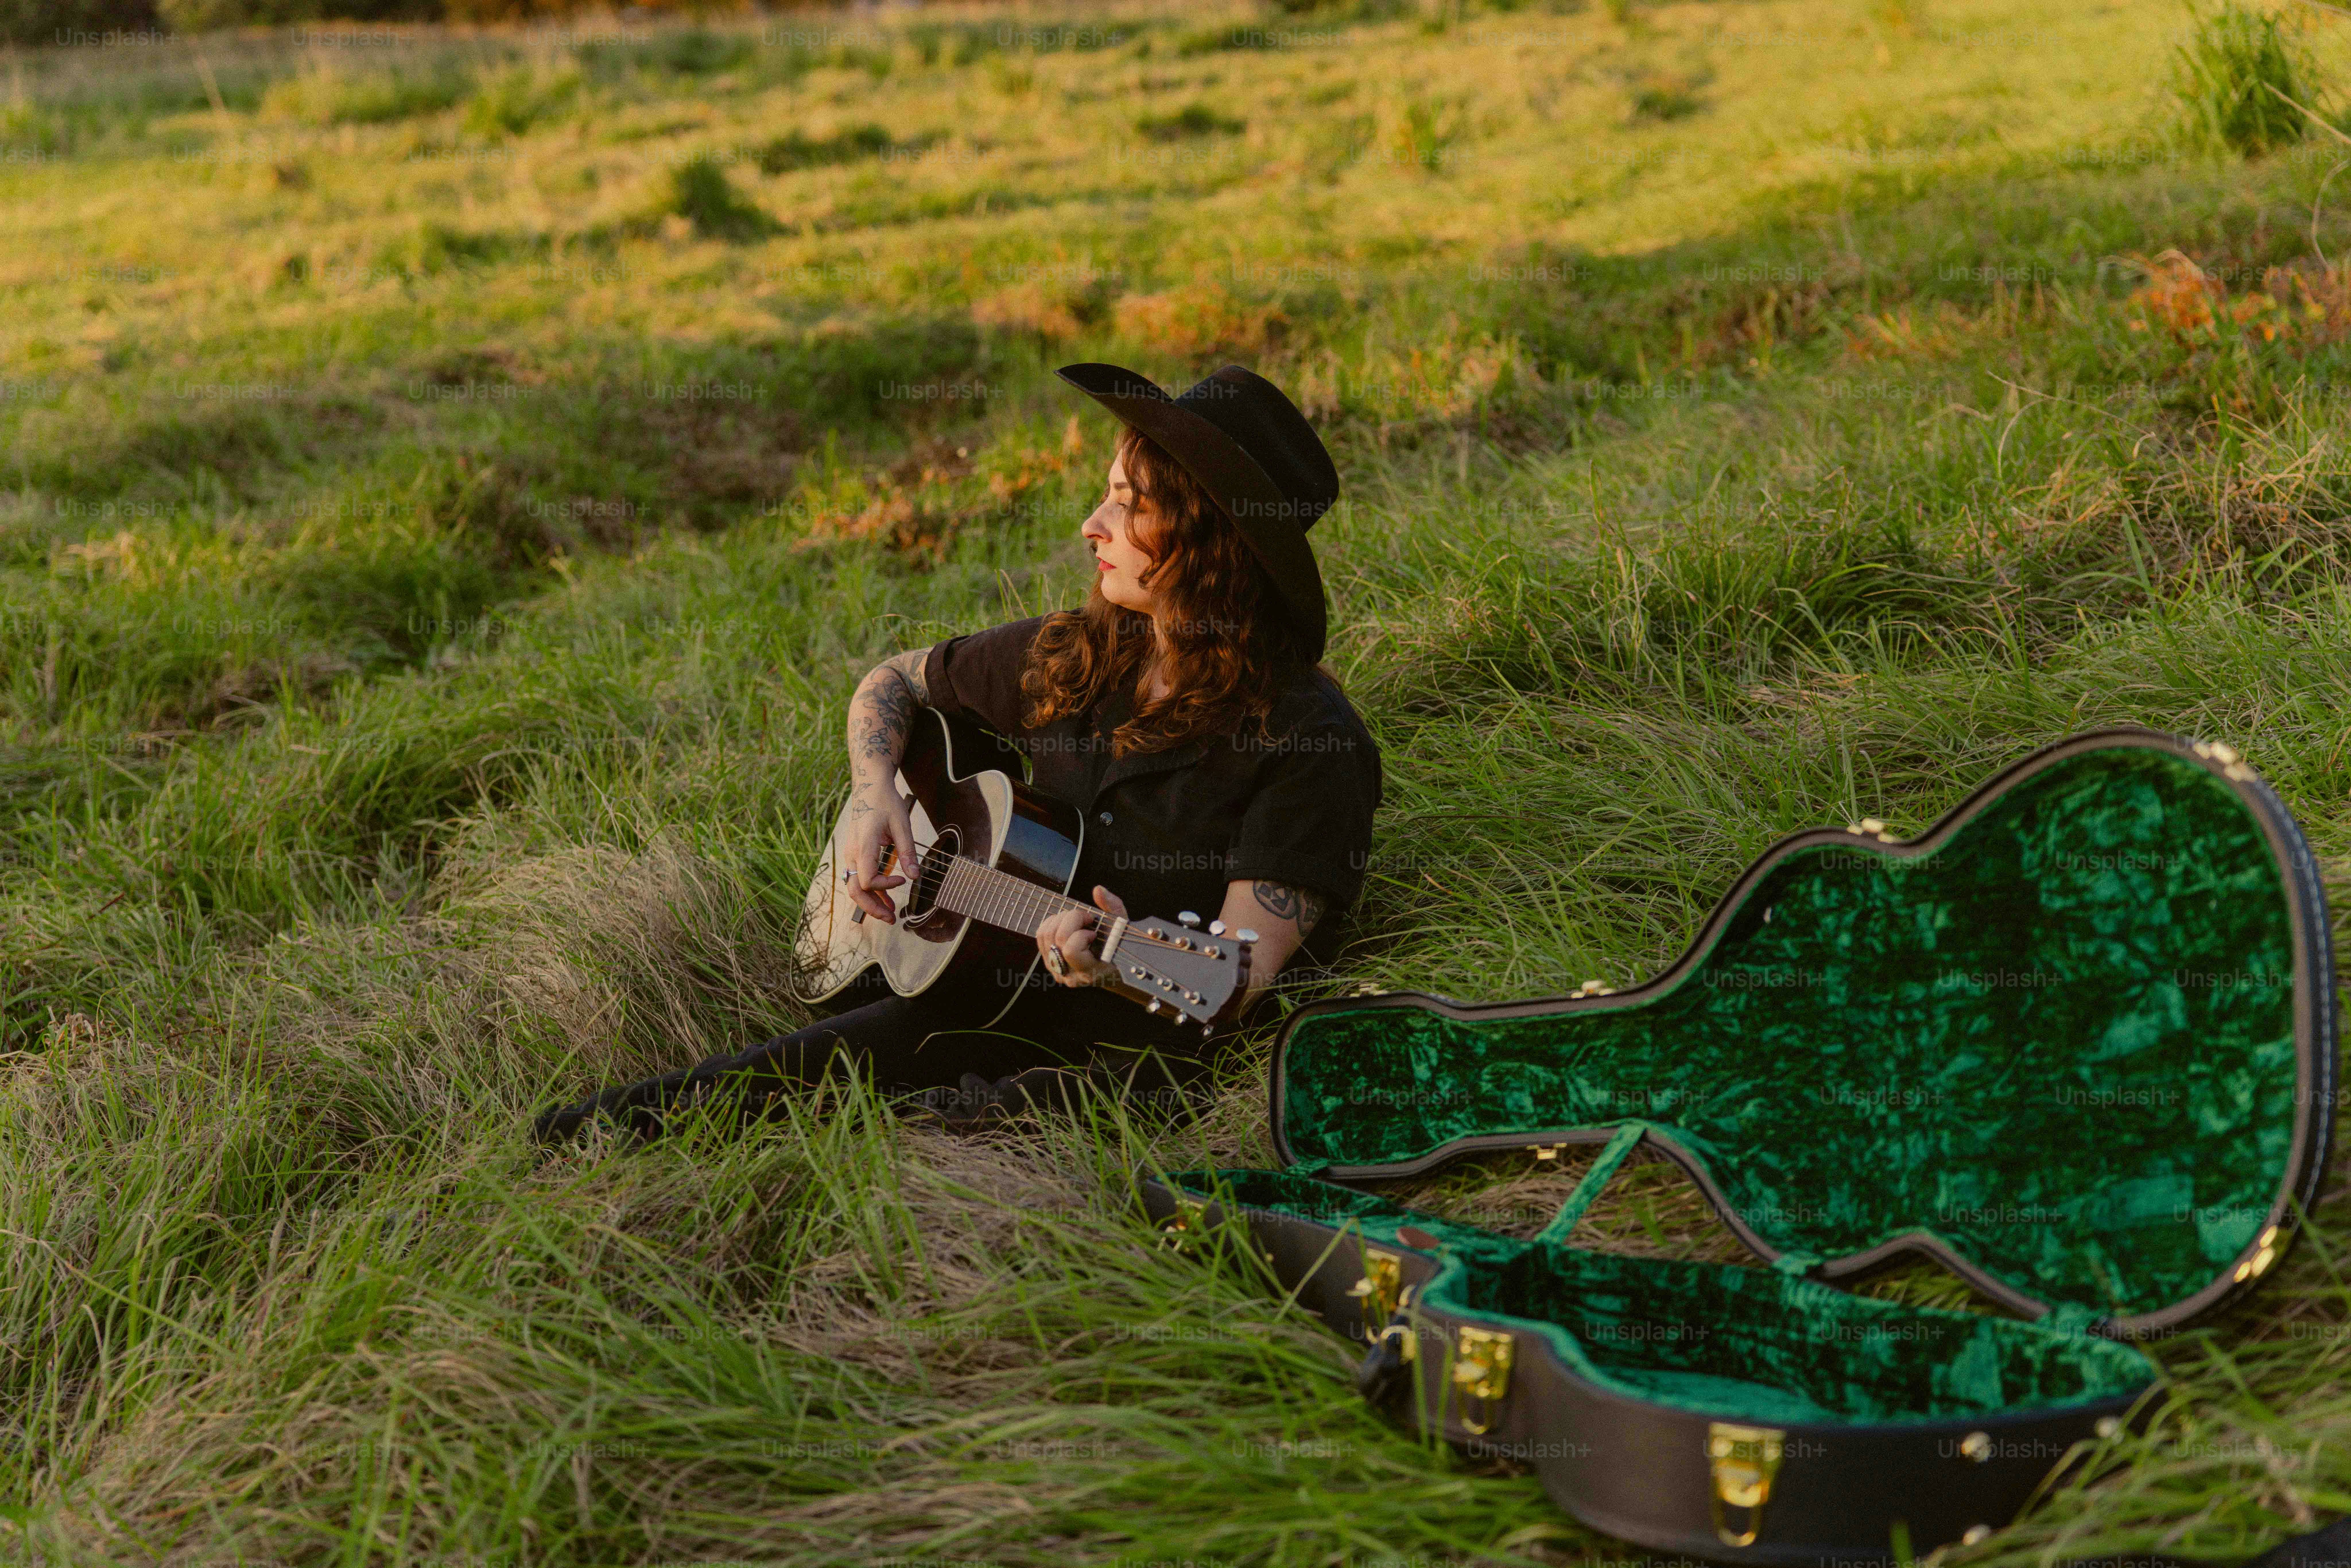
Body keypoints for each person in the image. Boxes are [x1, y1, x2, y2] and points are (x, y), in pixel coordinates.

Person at [532, 363, 1382, 1144]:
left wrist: (1110, 960)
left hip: (1125, 1067)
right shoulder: (1085, 651)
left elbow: (1236, 978)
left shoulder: (1311, 742)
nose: (1093, 524)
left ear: (1207, 538)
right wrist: (878, 796)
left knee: (920, 1157)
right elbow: (891, 682)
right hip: (977, 985)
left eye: (1130, 503)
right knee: (705, 1100)